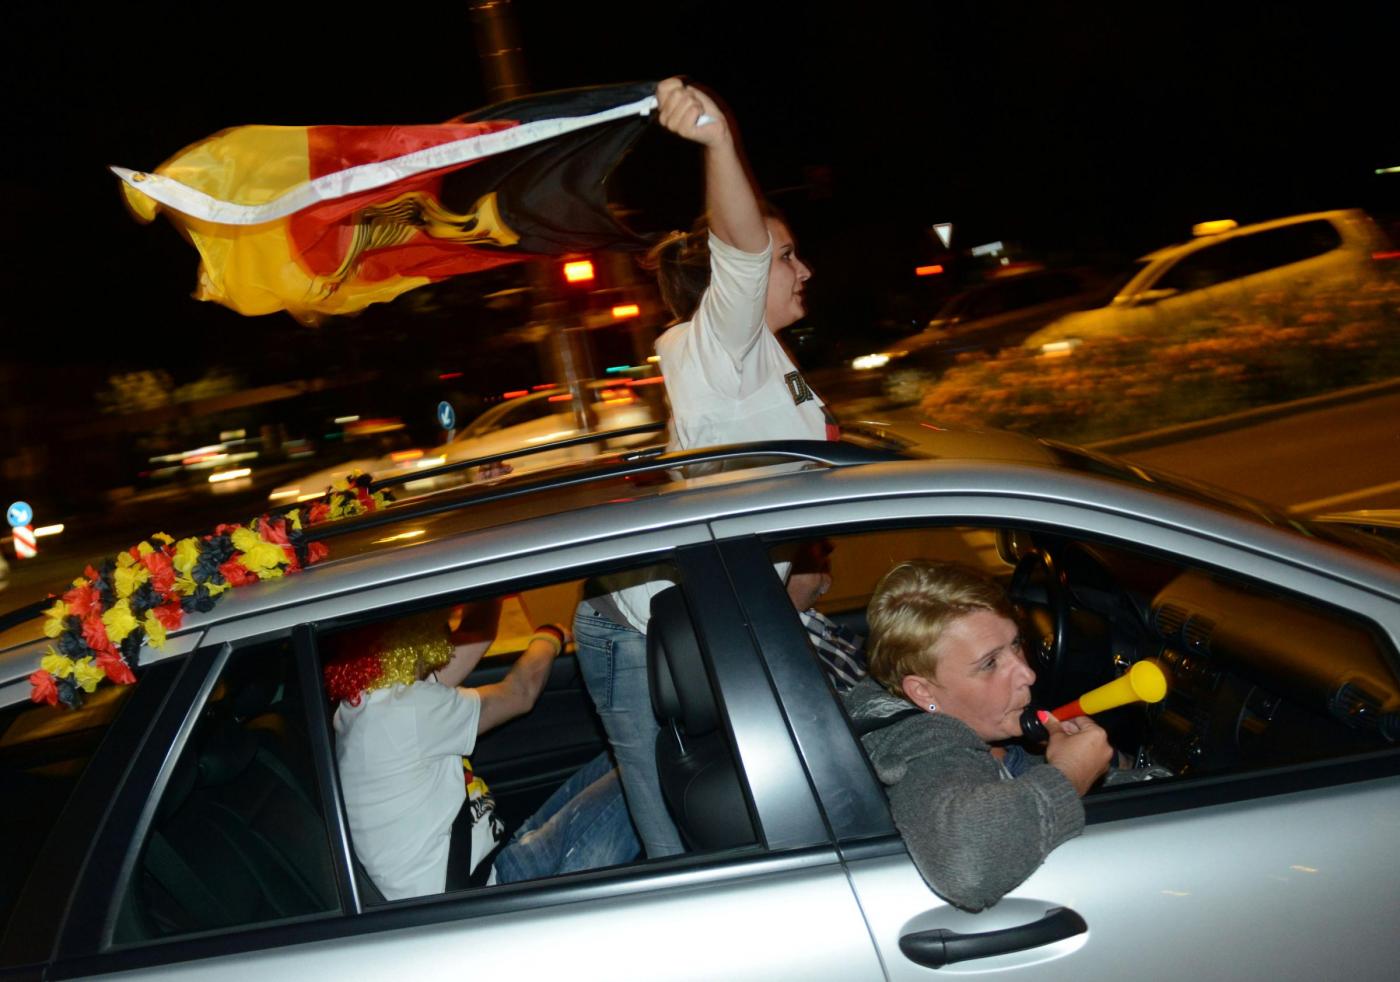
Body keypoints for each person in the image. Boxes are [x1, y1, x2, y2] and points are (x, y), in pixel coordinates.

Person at [575, 77, 837, 858]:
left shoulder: (762, 357)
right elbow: (744, 250)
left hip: (702, 618)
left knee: (686, 790)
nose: (803, 269)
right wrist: (719, 141)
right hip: (640, 629)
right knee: (673, 835)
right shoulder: (722, 347)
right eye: (788, 257)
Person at [843, 560, 1113, 911]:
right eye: (989, 663)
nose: (1027, 674)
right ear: (923, 692)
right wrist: (1070, 774)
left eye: (1016, 644)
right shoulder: (918, 745)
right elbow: (968, 867)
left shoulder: (976, 727)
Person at [329, 608, 639, 900]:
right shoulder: (405, 712)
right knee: (644, 771)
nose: (445, 632)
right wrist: (550, 637)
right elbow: (520, 693)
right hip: (489, 893)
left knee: (627, 758)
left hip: (492, 864)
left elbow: (477, 634)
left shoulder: (366, 708)